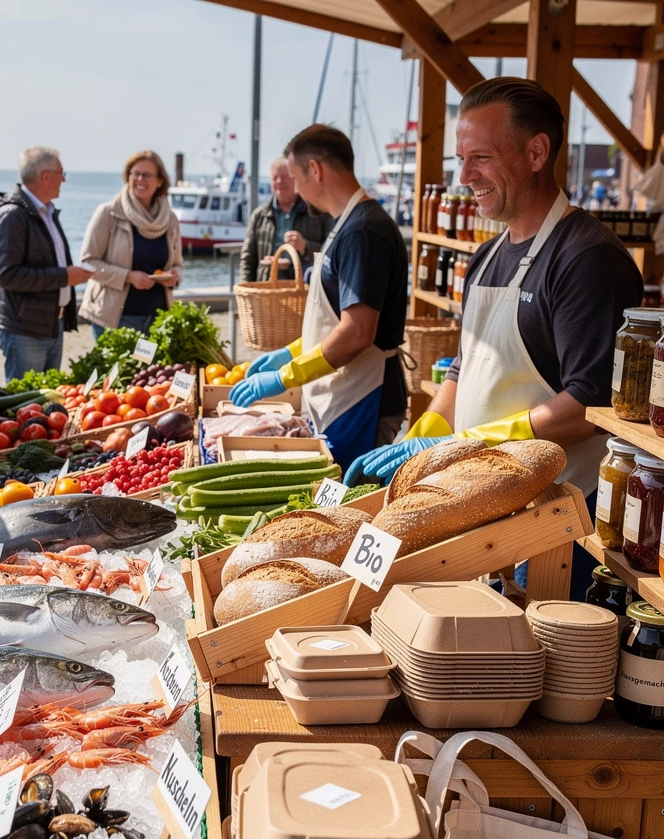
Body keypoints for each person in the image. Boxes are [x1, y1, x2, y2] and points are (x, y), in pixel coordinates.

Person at [347, 79, 643, 598]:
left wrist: (470, 443)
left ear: (536, 152)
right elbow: (465, 367)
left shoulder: (587, 259)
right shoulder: (485, 258)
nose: (465, 177)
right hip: (482, 507)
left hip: (563, 516)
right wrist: (424, 439)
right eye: (461, 160)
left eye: (480, 158)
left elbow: (590, 405)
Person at [229, 125, 408, 470]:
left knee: (347, 494)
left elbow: (357, 332)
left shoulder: (363, 231)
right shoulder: (345, 224)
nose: (296, 188)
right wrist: (292, 352)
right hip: (342, 392)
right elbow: (334, 321)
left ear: (315, 169)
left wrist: (285, 376)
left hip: (365, 397)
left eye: (296, 178)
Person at [0, 147, 92, 381]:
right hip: (24, 328)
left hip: (50, 323)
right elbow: (8, 275)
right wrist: (65, 277)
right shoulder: (12, 215)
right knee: (26, 398)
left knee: (47, 396)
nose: (64, 180)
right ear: (45, 176)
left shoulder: (46, 212)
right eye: (61, 173)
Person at [79, 149, 183, 338]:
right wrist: (128, 277)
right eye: (135, 174)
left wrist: (174, 276)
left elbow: (177, 264)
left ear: (160, 181)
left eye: (147, 175)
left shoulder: (170, 220)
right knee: (118, 360)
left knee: (149, 359)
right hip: (115, 319)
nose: (140, 179)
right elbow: (88, 263)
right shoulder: (108, 213)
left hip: (157, 319)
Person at [239, 156, 333, 282]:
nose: (279, 181)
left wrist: (305, 246)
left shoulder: (317, 213)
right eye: (275, 178)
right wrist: (245, 287)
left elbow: (331, 256)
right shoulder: (259, 216)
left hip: (303, 287)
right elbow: (247, 259)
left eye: (284, 177)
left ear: (295, 179)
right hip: (266, 287)